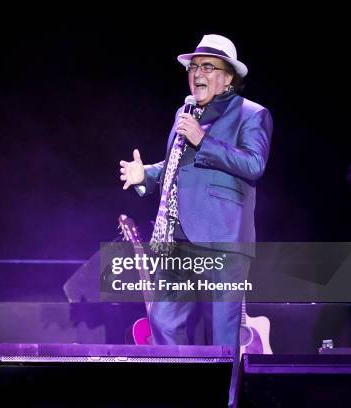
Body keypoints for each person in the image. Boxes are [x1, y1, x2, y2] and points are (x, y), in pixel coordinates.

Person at [119, 34, 272, 404]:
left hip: (222, 239)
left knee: (223, 333)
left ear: (229, 77)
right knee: (164, 321)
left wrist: (204, 139)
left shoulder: (252, 114)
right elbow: (178, 169)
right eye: (193, 68)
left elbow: (254, 164)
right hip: (177, 237)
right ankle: (182, 394)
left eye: (207, 67)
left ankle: (227, 401)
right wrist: (147, 176)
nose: (196, 74)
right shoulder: (185, 112)